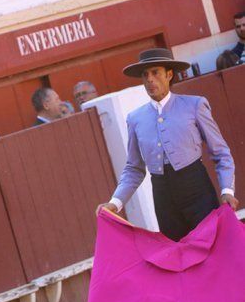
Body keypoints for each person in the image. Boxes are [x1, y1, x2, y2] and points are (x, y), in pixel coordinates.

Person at [96, 48, 238, 241]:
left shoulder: (194, 105)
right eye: (145, 75)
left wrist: (226, 190)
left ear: (169, 74)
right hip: (163, 196)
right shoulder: (135, 119)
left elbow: (220, 152)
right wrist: (115, 203)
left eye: (155, 73)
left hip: (197, 188)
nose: (149, 80)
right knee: (177, 256)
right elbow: (134, 168)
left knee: (213, 247)